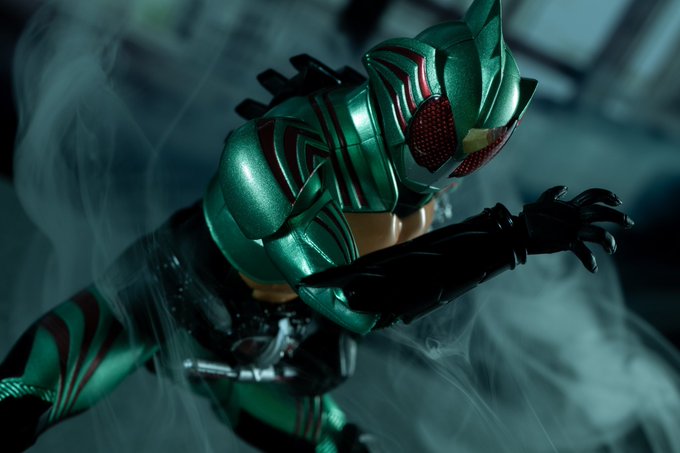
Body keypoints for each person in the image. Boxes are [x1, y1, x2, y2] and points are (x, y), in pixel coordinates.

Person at [0, 0, 632, 451]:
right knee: (18, 400)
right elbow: (352, 296)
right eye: (449, 134)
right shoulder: (286, 146)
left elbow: (404, 292)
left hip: (263, 347)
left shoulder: (427, 196)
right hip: (163, 295)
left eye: (480, 148)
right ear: (415, 98)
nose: (456, 162)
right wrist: (509, 239)